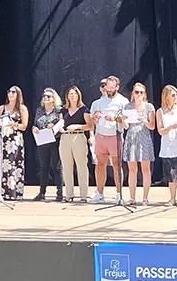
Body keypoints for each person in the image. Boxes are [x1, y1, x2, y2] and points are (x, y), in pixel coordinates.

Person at [89, 76, 128, 204]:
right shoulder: (97, 103)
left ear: (117, 87)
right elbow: (92, 121)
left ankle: (119, 194)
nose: (109, 89)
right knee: (100, 164)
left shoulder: (123, 101)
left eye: (111, 87)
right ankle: (99, 193)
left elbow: (127, 120)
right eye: (107, 87)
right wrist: (95, 117)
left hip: (115, 136)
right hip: (101, 136)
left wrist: (115, 118)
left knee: (117, 165)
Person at [121, 82, 156, 206]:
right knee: (132, 170)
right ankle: (132, 197)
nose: (139, 94)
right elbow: (126, 126)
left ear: (144, 94)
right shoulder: (128, 106)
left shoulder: (149, 107)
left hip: (144, 137)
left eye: (141, 92)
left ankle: (145, 197)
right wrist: (122, 120)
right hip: (131, 137)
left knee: (145, 169)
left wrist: (144, 121)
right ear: (133, 93)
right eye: (137, 92)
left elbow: (152, 126)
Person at [59, 86, 92, 203]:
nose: (73, 96)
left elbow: (90, 126)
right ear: (67, 96)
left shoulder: (84, 110)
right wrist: (59, 128)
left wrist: (77, 126)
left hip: (78, 137)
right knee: (66, 167)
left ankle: (83, 195)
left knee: (81, 166)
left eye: (75, 93)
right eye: (71, 94)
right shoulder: (63, 110)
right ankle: (69, 194)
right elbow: (61, 123)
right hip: (65, 138)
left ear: (79, 95)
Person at [0, 86, 28, 200]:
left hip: (15, 139)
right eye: (9, 91)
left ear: (18, 94)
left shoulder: (22, 108)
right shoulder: (2, 108)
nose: (10, 94)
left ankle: (15, 192)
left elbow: (24, 126)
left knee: (14, 163)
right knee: (3, 164)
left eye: (13, 92)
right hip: (4, 138)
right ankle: (3, 192)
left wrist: (15, 125)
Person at [32, 88, 63, 201]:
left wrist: (54, 126)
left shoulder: (59, 110)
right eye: (44, 96)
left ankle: (59, 192)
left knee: (56, 167)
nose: (45, 98)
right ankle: (42, 192)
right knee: (44, 167)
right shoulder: (39, 110)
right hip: (42, 140)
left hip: (55, 140)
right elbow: (35, 124)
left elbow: (62, 123)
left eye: (48, 96)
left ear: (54, 99)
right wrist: (34, 128)